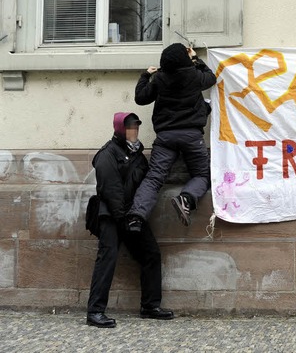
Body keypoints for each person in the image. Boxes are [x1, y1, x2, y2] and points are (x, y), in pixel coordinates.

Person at [87, 112, 174, 328]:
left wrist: (135, 215)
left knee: (150, 253)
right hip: (110, 215)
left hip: (131, 215)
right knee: (107, 258)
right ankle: (95, 312)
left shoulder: (137, 155)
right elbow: (111, 190)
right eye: (129, 128)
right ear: (119, 129)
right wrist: (123, 218)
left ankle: (150, 306)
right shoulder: (108, 153)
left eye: (136, 127)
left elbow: (145, 184)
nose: (133, 131)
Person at [127, 43, 217, 229]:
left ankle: (136, 216)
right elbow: (211, 78)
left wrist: (146, 75)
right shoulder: (193, 75)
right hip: (191, 136)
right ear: (184, 60)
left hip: (165, 137)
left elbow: (141, 98)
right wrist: (196, 59)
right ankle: (186, 198)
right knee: (202, 175)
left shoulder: (160, 79)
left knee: (154, 178)